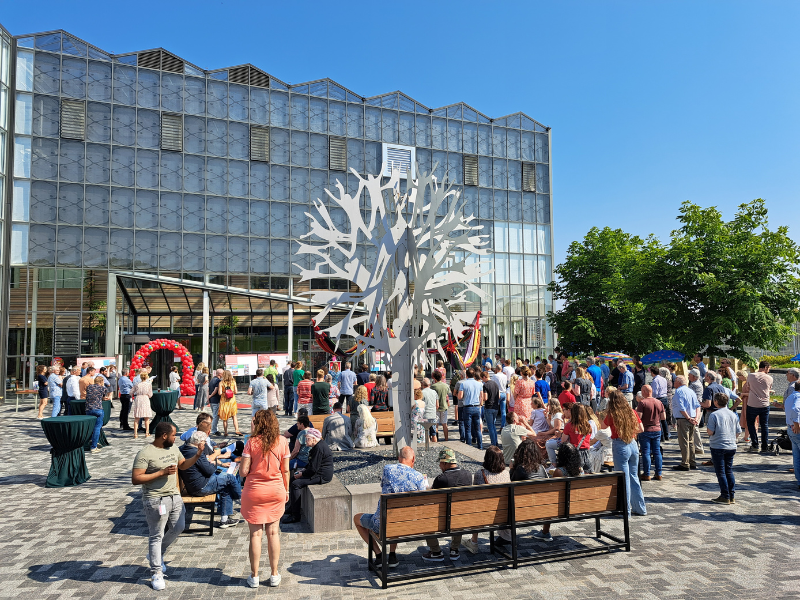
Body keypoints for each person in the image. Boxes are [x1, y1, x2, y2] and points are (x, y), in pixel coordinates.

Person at [131, 422, 206, 590]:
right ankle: (156, 572)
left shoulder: (173, 449)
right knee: (156, 535)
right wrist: (161, 473)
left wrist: (198, 455)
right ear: (164, 436)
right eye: (173, 435)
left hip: (175, 497)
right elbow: (136, 478)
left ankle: (155, 554)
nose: (176, 437)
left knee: (179, 527)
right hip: (155, 500)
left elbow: (183, 465)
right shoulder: (145, 453)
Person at [354, 447, 427, 569]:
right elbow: (423, 499)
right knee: (397, 517)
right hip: (407, 524)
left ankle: (379, 555)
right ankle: (392, 555)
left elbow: (383, 485)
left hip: (381, 524)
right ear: (413, 459)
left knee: (357, 518)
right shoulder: (419, 477)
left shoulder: (387, 469)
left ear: (399, 458)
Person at [241, 409, 291, 587]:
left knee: (255, 535)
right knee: (273, 533)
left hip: (254, 491)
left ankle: (254, 576)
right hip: (276, 489)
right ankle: (274, 574)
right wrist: (286, 490)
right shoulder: (283, 441)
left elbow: (243, 471)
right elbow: (285, 470)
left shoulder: (251, 442)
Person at [179, 430, 242, 527]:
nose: (205, 444)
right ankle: (241, 498)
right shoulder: (196, 454)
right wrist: (214, 463)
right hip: (201, 486)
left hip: (194, 485)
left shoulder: (184, 448)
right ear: (199, 443)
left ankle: (224, 520)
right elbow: (209, 471)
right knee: (230, 477)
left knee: (226, 484)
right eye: (204, 442)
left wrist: (212, 463)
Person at [422, 448, 474, 561]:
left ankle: (435, 551)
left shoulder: (442, 479)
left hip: (442, 519)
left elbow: (430, 498)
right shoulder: (468, 475)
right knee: (458, 511)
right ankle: (454, 549)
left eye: (440, 463)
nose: (440, 466)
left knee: (425, 516)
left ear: (445, 463)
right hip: (462, 518)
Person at [604, 390, 647, 516]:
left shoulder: (612, 414)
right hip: (632, 443)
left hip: (620, 444)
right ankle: (640, 508)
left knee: (623, 479)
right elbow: (641, 429)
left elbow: (602, 426)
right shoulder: (632, 412)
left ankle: (625, 510)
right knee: (634, 477)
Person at [463, 446, 511, 553]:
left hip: (486, 514)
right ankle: (507, 536)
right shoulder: (506, 473)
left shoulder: (480, 473)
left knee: (476, 506)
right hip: (504, 513)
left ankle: (474, 542)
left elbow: (475, 495)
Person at [530, 443, 581, 542]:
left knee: (549, 500)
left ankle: (545, 532)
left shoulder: (559, 472)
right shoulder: (579, 470)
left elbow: (552, 492)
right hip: (577, 505)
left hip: (561, 507)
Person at [283, 428, 333, 524]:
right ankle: (292, 507)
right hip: (317, 472)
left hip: (322, 475)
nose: (305, 441)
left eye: (307, 439)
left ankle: (295, 515)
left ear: (314, 439)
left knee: (296, 484)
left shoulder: (319, 447)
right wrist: (303, 470)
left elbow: (313, 469)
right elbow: (311, 464)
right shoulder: (317, 446)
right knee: (293, 478)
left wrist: (302, 473)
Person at [706, 392, 742, 504]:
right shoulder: (732, 414)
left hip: (718, 445)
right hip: (731, 445)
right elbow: (738, 432)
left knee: (720, 472)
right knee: (729, 470)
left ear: (716, 402)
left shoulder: (714, 415)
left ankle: (725, 495)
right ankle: (731, 495)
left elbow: (710, 432)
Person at [635, 385, 665, 481]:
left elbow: (638, 417)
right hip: (657, 429)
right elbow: (663, 417)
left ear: (644, 391)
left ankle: (647, 474)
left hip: (645, 430)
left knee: (646, 452)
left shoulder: (642, 403)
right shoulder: (659, 402)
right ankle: (658, 473)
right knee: (657, 452)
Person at [672, 375, 701, 471]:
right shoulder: (691, 391)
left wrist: (688, 418)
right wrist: (696, 418)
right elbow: (697, 405)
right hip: (692, 418)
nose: (674, 382)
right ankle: (692, 461)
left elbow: (681, 407)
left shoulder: (679, 391)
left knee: (684, 441)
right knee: (691, 441)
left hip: (684, 418)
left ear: (679, 382)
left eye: (675, 381)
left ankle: (685, 463)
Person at [746, 361, 773, 454]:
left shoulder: (751, 375)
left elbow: (748, 386)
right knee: (764, 425)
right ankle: (765, 446)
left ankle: (755, 444)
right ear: (765, 367)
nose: (768, 371)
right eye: (768, 369)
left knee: (750, 424)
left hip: (752, 403)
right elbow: (768, 389)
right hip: (765, 404)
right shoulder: (769, 378)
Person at [560, 402, 594, 472]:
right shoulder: (588, 425)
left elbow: (563, 441)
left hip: (576, 454)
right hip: (587, 453)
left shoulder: (569, 426)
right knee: (587, 474)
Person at [458, 368, 484, 450]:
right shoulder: (479, 384)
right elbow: (481, 396)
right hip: (476, 407)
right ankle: (480, 446)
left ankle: (469, 446)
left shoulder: (463, 384)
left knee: (468, 429)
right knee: (478, 429)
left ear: (466, 375)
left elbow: (460, 397)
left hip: (467, 407)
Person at [537, 398, 565, 464]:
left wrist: (544, 433)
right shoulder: (553, 414)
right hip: (554, 433)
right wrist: (546, 417)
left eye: (548, 404)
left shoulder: (558, 415)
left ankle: (547, 459)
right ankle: (543, 458)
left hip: (559, 434)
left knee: (540, 440)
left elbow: (556, 428)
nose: (547, 406)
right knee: (536, 438)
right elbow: (551, 425)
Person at [784, 381, 800, 490]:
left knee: (797, 456)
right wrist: (797, 424)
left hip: (790, 428)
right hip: (796, 428)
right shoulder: (799, 397)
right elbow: (795, 409)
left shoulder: (791, 396)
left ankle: (799, 480)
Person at [85, 376, 106, 453]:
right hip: (98, 409)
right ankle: (94, 446)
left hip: (88, 409)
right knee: (97, 427)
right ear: (101, 382)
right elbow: (103, 397)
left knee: (89, 427)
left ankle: (89, 443)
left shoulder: (89, 387)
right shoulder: (102, 388)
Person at [217, 370, 242, 436]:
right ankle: (237, 430)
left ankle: (225, 432)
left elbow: (219, 393)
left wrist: (224, 392)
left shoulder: (221, 383)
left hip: (224, 402)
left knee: (225, 419)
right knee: (234, 416)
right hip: (232, 401)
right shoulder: (233, 381)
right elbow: (236, 392)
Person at [480, 371, 501, 447]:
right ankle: (496, 442)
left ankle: (493, 443)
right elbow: (498, 396)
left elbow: (485, 398)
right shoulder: (495, 384)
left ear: (484, 377)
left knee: (490, 426)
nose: (482, 380)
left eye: (482, 379)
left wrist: (481, 399)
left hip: (489, 407)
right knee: (493, 425)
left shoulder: (485, 385)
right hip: (495, 407)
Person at [132, 371, 154, 439]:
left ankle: (135, 434)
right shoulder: (149, 385)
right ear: (147, 377)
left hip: (138, 399)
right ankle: (147, 433)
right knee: (146, 418)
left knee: (137, 418)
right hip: (145, 398)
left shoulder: (137, 384)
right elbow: (150, 395)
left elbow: (131, 392)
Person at [431, 370, 451, 441]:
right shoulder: (446, 386)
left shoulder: (433, 386)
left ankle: (436, 438)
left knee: (436, 424)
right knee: (444, 424)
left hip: (435, 407)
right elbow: (447, 395)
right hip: (444, 406)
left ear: (434, 378)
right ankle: (446, 438)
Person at [208, 368, 223, 435]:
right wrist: (210, 396)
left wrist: (208, 397)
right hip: (216, 400)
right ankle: (214, 430)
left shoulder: (212, 380)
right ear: (220, 374)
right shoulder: (218, 381)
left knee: (214, 415)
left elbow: (208, 389)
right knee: (215, 416)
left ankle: (215, 429)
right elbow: (216, 390)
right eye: (223, 373)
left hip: (211, 400)